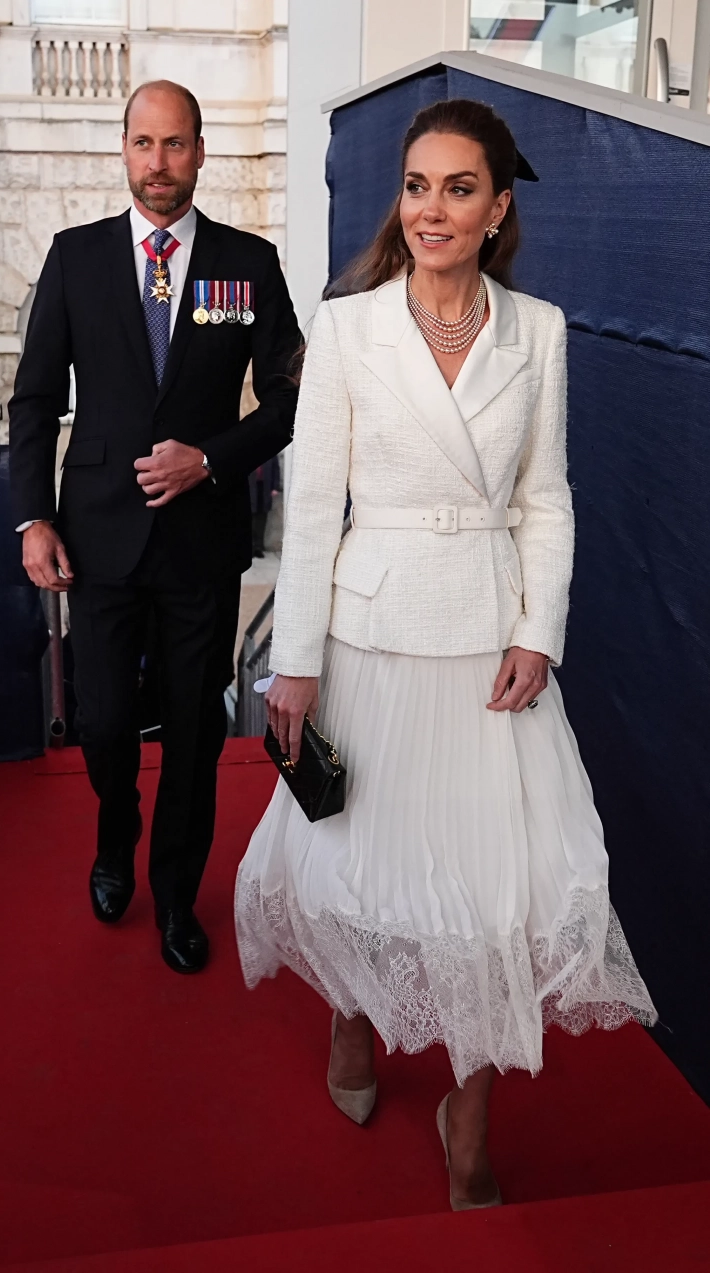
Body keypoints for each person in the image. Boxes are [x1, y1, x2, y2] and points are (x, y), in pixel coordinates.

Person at [234, 99, 656, 1208]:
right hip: (370, 637)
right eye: (417, 185)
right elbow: (312, 506)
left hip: (486, 647)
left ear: (496, 208)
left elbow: (546, 498)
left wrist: (538, 630)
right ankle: (352, 1013)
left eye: (458, 189)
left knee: (490, 894)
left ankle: (468, 1114)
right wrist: (295, 657)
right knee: (362, 861)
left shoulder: (540, 330)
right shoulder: (346, 329)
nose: (431, 208)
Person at [9, 80, 301, 974]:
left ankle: (176, 894)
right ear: (124, 149)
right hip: (96, 539)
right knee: (102, 724)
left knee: (194, 735)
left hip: (200, 546)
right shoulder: (75, 258)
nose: (159, 162)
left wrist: (209, 457)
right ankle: (115, 833)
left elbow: (291, 399)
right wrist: (33, 518)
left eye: (176, 144)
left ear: (200, 152)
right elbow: (33, 399)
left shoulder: (248, 264)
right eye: (144, 143)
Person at [249, 455, 281, 557]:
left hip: (265, 488)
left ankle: (258, 547)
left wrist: (275, 487)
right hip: (250, 487)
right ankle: (250, 546)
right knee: (251, 517)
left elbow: (276, 469)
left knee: (262, 517)